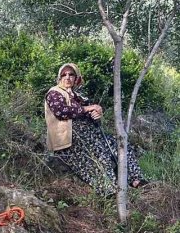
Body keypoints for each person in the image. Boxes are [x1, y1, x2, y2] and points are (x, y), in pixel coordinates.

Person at [44, 63, 148, 195]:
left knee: (121, 145)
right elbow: (61, 112)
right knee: (100, 154)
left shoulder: (78, 97)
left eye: (71, 74)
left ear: (76, 78)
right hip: (69, 140)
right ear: (59, 77)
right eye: (64, 74)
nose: (67, 77)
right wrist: (88, 108)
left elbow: (89, 115)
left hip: (90, 134)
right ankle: (109, 190)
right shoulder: (54, 93)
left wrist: (96, 114)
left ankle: (136, 180)